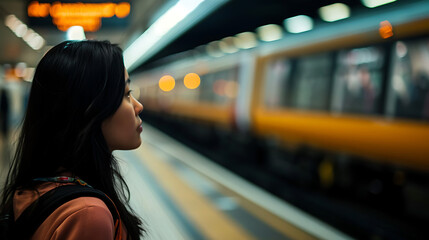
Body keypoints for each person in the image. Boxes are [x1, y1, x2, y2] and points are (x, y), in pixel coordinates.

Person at [0, 40, 144, 239]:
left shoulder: (32, 189)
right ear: (89, 109)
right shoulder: (88, 214)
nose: (138, 106)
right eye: (127, 94)